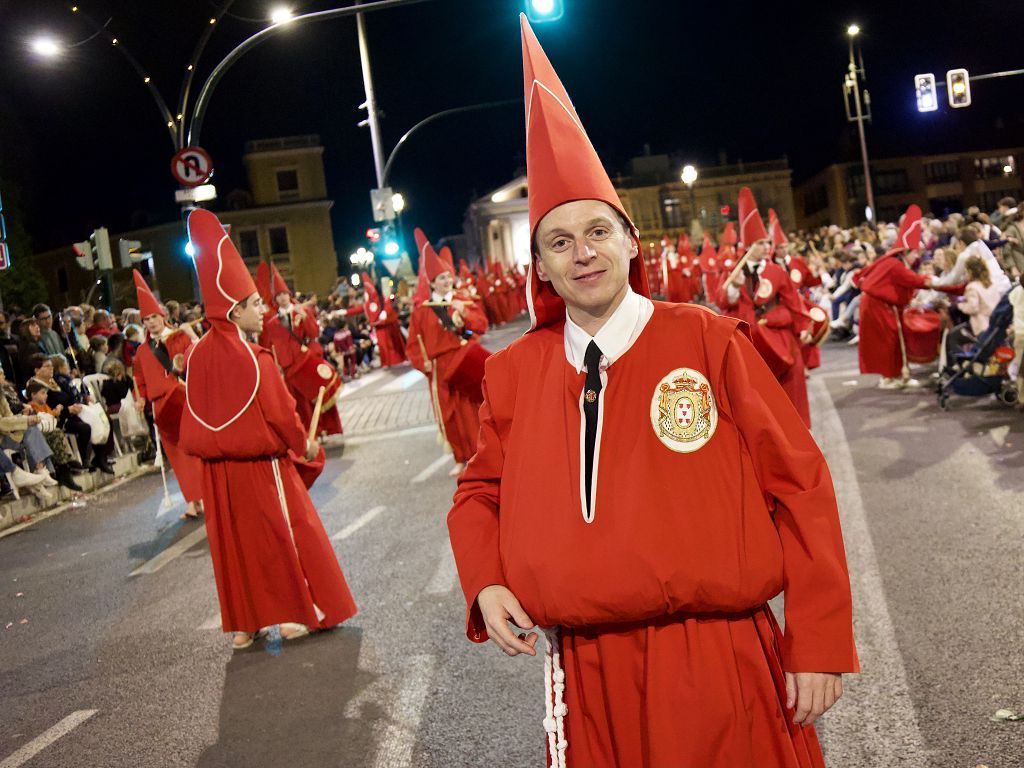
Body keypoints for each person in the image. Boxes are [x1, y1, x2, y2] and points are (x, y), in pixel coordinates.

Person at [448, 19, 857, 768]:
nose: (584, 254)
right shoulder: (513, 373)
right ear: (538, 267)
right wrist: (484, 581)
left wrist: (819, 639)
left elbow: (799, 483)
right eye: (560, 242)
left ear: (631, 241)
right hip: (585, 676)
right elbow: (478, 492)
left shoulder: (707, 340)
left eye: (598, 232)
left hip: (716, 659)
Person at [178, 209, 357, 651]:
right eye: (255, 304)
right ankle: (295, 616)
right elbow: (281, 415)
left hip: (217, 474)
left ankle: (245, 625)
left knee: (234, 547)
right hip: (262, 466)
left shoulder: (198, 354)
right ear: (236, 310)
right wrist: (304, 443)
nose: (262, 311)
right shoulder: (254, 357)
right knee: (283, 537)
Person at [719, 188, 811, 426]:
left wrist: (803, 326)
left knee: (789, 383)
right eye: (761, 243)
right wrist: (733, 288)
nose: (766, 247)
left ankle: (794, 428)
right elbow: (722, 302)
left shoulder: (776, 271)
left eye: (767, 242)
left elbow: (793, 301)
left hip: (777, 336)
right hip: (748, 337)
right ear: (749, 245)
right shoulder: (733, 271)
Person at [407, 228, 490, 477]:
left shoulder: (462, 300)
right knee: (449, 414)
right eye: (441, 279)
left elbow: (481, 325)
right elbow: (413, 343)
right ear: (431, 282)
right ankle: (460, 456)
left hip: (463, 360)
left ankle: (481, 453)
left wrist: (464, 314)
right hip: (439, 367)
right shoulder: (421, 310)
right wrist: (424, 365)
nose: (446, 282)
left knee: (472, 409)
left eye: (447, 277)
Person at [856, 205, 961, 389]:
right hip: (879, 306)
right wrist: (952, 285)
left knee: (891, 341)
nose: (917, 258)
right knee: (890, 342)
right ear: (907, 251)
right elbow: (917, 281)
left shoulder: (891, 262)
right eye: (916, 253)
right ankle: (892, 377)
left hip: (877, 305)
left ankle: (895, 375)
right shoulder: (896, 265)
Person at [131, 270, 205, 520]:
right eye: (147, 319)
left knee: (193, 450)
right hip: (161, 408)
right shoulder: (141, 351)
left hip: (182, 400)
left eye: (154, 317)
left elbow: (197, 358)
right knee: (177, 457)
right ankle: (192, 501)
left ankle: (202, 496)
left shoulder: (179, 337)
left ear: (162, 316)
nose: (151, 322)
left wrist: (192, 337)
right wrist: (140, 398)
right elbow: (139, 378)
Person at [256, 261, 344, 437]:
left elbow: (313, 334)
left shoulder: (301, 312)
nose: (282, 298)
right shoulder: (272, 322)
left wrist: (306, 319)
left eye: (284, 294)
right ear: (275, 299)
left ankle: (323, 429)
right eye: (278, 295)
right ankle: (307, 434)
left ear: (289, 294)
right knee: (299, 403)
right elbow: (269, 344)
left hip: (304, 361)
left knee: (316, 397)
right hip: (289, 367)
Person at [30, 353, 113, 474]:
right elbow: (45, 409)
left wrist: (82, 399)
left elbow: (71, 394)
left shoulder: (56, 381)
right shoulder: (36, 387)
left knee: (103, 419)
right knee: (85, 427)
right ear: (37, 370)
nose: (51, 368)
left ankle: (100, 457)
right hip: (58, 418)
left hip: (71, 412)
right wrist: (68, 409)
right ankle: (83, 459)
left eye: (51, 366)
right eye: (47, 366)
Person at [25, 380, 83, 491]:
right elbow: (42, 420)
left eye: (46, 393)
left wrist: (56, 413)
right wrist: (55, 413)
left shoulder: (44, 406)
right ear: (33, 395)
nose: (45, 396)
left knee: (57, 432)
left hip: (47, 431)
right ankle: (64, 469)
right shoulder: (31, 406)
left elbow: (50, 418)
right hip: (38, 435)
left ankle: (65, 467)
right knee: (56, 433)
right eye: (42, 393)